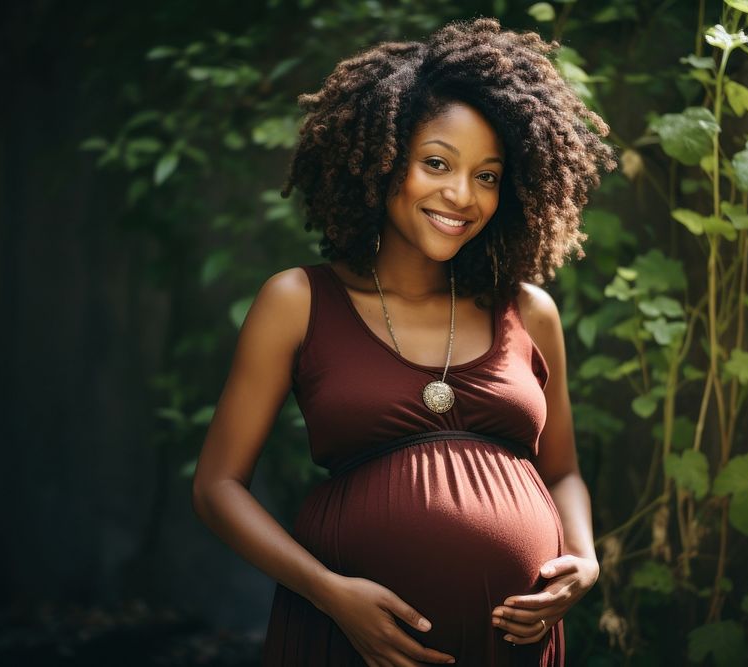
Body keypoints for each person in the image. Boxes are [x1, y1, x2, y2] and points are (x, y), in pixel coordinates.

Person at [192, 17, 616, 666]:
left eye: (488, 175)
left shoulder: (529, 311)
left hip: (512, 647)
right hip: (349, 639)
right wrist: (329, 593)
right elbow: (217, 486)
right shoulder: (299, 302)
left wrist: (584, 560)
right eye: (437, 164)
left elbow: (562, 471)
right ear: (386, 160)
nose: (461, 195)